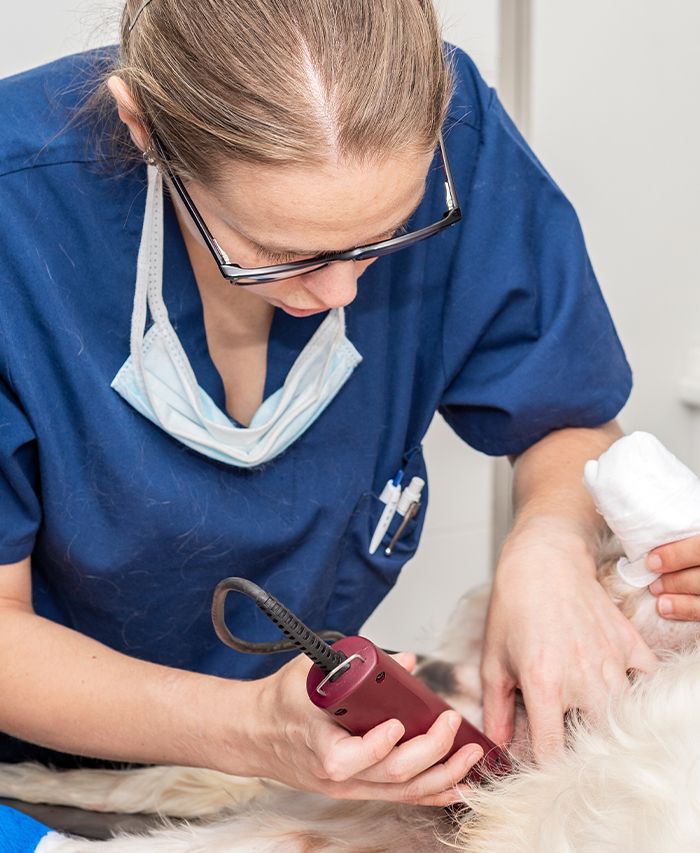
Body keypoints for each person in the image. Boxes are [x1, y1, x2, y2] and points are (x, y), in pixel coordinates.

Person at [0, 0, 657, 813]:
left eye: (389, 232)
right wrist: (244, 728)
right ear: (142, 129)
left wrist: (550, 542)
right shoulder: (16, 219)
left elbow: (566, 411)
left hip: (293, 758)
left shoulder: (454, 132)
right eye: (282, 252)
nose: (344, 289)